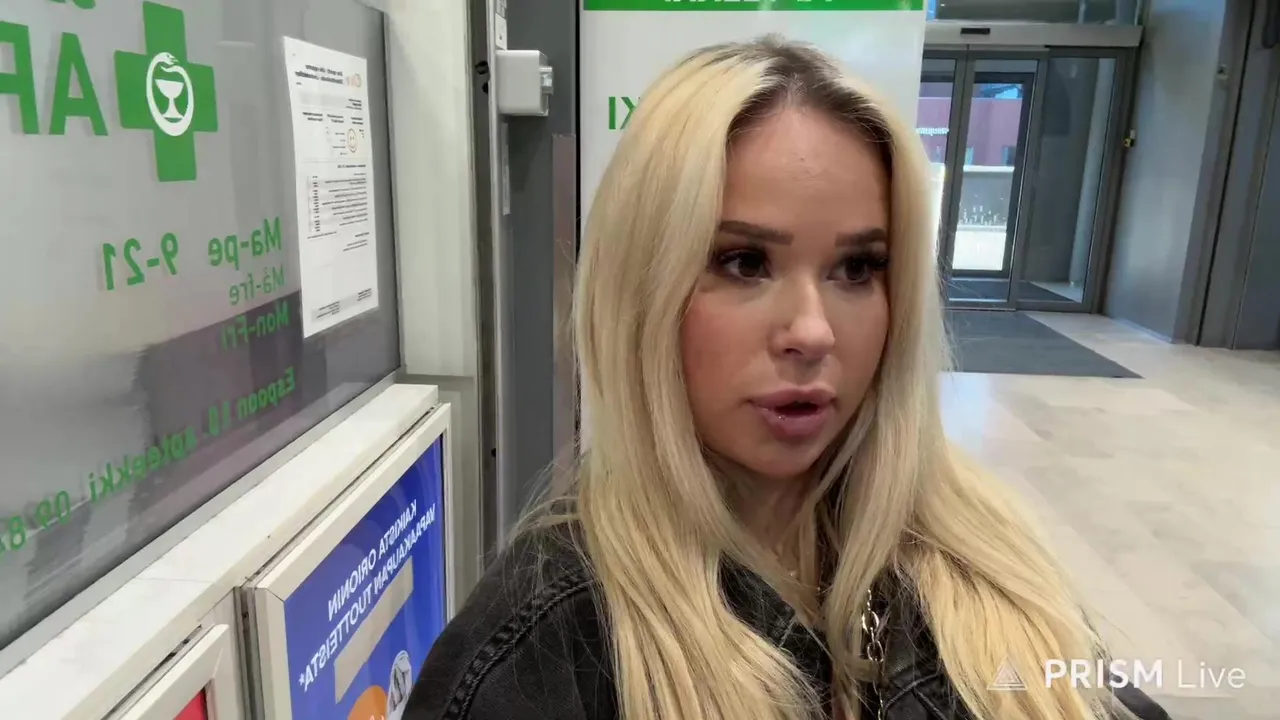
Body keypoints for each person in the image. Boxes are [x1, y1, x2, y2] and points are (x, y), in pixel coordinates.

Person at [404, 36, 1169, 720]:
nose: (813, 331)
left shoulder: (984, 556)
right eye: (744, 262)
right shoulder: (541, 647)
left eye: (857, 268)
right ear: (642, 290)